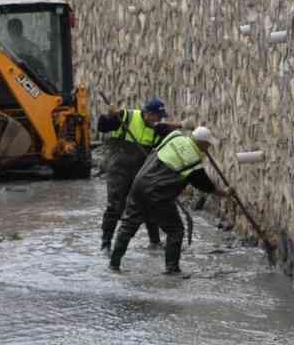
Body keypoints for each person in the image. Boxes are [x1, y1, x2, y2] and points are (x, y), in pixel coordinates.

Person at [108, 126, 228, 276]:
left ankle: (114, 264)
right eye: (208, 145)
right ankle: (172, 270)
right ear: (202, 143)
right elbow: (204, 184)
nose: (208, 147)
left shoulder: (174, 136)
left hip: (139, 183)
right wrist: (225, 192)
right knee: (175, 230)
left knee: (128, 225)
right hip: (158, 194)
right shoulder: (193, 159)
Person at [95, 97, 174, 252]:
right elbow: (102, 127)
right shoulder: (126, 116)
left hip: (140, 172)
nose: (159, 120)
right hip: (118, 169)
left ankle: (155, 242)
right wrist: (109, 116)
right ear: (148, 114)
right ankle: (106, 243)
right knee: (115, 206)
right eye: (158, 116)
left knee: (149, 204)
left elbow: (161, 150)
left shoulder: (156, 129)